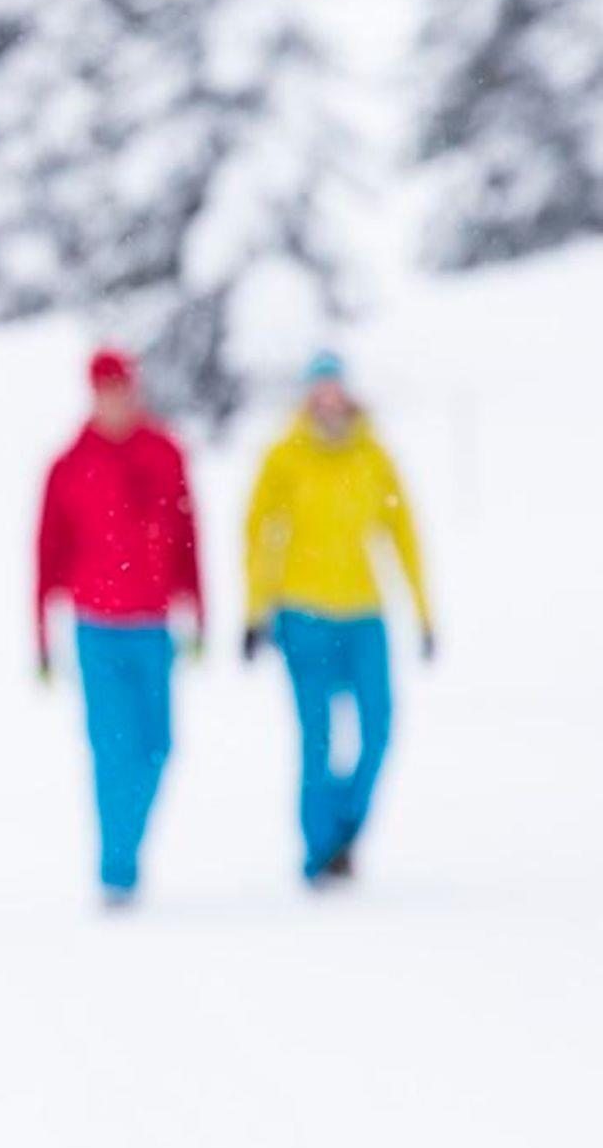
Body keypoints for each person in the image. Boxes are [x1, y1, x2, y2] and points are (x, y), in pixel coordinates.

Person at [241, 350, 434, 886]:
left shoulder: (372, 455)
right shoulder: (284, 456)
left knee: (379, 728)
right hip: (303, 614)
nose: (327, 399)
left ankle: (346, 830)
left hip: (363, 613)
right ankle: (319, 847)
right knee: (317, 738)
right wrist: (256, 610)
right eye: (318, 389)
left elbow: (403, 534)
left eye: (334, 388)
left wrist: (423, 610)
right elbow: (259, 535)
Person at [36, 348, 204, 905]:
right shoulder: (69, 465)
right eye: (105, 392)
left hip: (153, 627)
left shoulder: (164, 452)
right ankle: (116, 869)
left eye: (122, 390)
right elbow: (46, 553)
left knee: (157, 747)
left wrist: (198, 608)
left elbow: (188, 536)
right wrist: (41, 636)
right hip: (97, 629)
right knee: (112, 752)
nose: (115, 402)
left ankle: (126, 849)